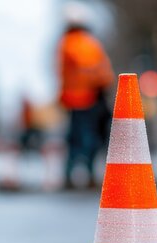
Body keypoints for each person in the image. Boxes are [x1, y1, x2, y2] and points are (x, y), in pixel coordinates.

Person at [57, 2, 113, 189]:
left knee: (75, 139)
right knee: (88, 138)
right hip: (88, 98)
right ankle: (87, 175)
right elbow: (100, 71)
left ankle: (70, 175)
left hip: (75, 99)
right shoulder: (87, 43)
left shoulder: (67, 43)